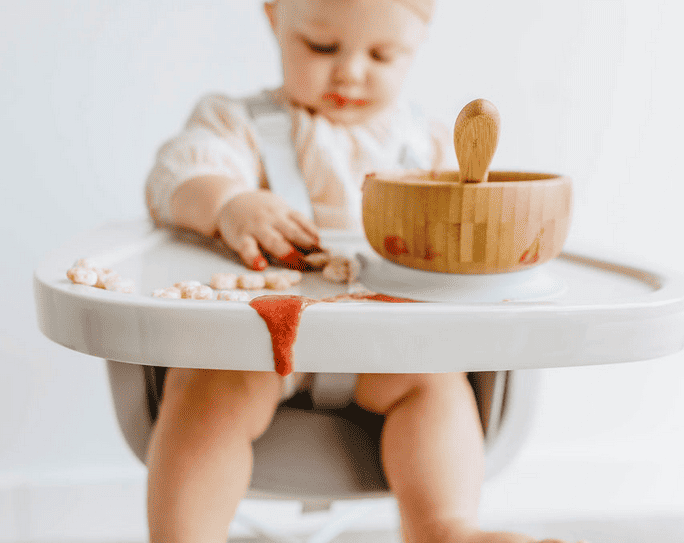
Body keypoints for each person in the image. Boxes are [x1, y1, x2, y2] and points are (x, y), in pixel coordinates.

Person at [143, 1, 581, 542]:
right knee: (207, 389)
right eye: (321, 47)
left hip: (392, 351)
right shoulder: (237, 124)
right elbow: (175, 176)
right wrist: (227, 201)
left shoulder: (432, 147)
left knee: (436, 389)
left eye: (381, 53)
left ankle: (446, 528)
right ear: (275, 18)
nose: (351, 71)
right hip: (258, 347)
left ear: (418, 40)